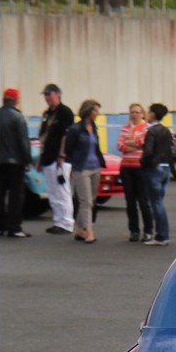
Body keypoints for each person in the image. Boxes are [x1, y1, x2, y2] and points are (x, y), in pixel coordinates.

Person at [64, 98, 105, 243]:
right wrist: (74, 162)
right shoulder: (76, 129)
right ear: (88, 111)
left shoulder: (94, 127)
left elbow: (96, 147)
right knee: (85, 201)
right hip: (81, 168)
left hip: (95, 167)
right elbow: (69, 148)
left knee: (91, 200)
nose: (98, 113)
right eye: (95, 110)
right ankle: (89, 231)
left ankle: (80, 229)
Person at [36, 82, 74, 235]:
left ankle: (67, 222)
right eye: (45, 95)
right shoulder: (47, 114)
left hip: (60, 158)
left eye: (49, 94)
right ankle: (58, 220)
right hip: (48, 157)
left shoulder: (65, 112)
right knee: (52, 191)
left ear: (57, 94)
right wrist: (40, 158)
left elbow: (66, 135)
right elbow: (43, 137)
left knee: (62, 190)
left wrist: (62, 154)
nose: (47, 98)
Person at [140, 102, 175, 246]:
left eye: (149, 112)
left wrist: (143, 163)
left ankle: (161, 236)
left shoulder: (151, 131)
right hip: (165, 167)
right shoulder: (166, 130)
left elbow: (148, 152)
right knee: (159, 201)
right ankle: (163, 234)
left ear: (153, 114)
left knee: (156, 203)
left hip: (154, 168)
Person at [117, 103, 153, 241]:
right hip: (126, 167)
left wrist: (130, 143)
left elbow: (143, 143)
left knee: (143, 200)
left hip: (140, 167)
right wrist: (134, 144)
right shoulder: (125, 128)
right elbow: (120, 145)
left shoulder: (147, 128)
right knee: (130, 201)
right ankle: (134, 230)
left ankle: (148, 231)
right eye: (132, 112)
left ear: (142, 114)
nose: (134, 115)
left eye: (137, 112)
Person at [0, 88, 30, 238]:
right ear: (16, 100)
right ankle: (14, 227)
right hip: (15, 162)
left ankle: (1, 226)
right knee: (16, 196)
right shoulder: (17, 117)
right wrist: (27, 159)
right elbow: (23, 141)